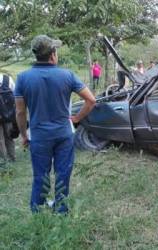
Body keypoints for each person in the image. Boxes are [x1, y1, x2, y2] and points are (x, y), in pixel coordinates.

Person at [14, 35, 96, 213]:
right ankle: (60, 210)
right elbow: (91, 100)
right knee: (63, 174)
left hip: (39, 136)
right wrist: (76, 118)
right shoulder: (67, 75)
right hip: (63, 135)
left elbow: (20, 112)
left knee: (40, 176)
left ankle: (38, 212)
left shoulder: (22, 78)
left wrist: (23, 135)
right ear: (53, 54)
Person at [0, 74, 16, 163]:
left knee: (0, 140)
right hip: (8, 113)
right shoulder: (7, 79)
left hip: (6, 114)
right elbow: (16, 95)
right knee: (9, 137)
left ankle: (3, 162)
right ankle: (12, 159)